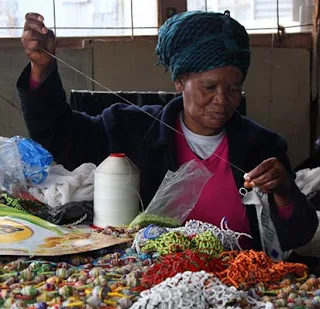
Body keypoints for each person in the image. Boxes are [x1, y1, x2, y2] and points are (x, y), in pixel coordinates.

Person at [17, 11, 317, 252]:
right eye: (208, 87)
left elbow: (295, 236)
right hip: (146, 279)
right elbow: (58, 136)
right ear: (179, 82)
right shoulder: (130, 129)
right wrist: (42, 70)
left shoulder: (263, 147)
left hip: (239, 282)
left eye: (234, 89)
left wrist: (285, 192)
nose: (223, 100)